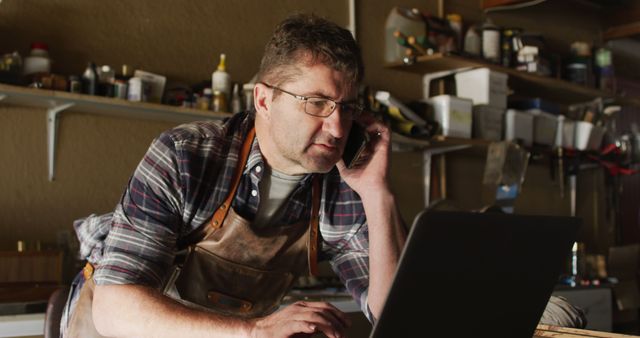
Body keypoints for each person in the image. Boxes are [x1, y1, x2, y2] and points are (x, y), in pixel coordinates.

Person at [61, 13, 407, 338]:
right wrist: (254, 331)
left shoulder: (343, 183)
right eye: (316, 102)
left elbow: (394, 314)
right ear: (264, 100)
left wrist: (377, 195)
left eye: (346, 108)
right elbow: (114, 309)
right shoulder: (185, 155)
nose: (336, 128)